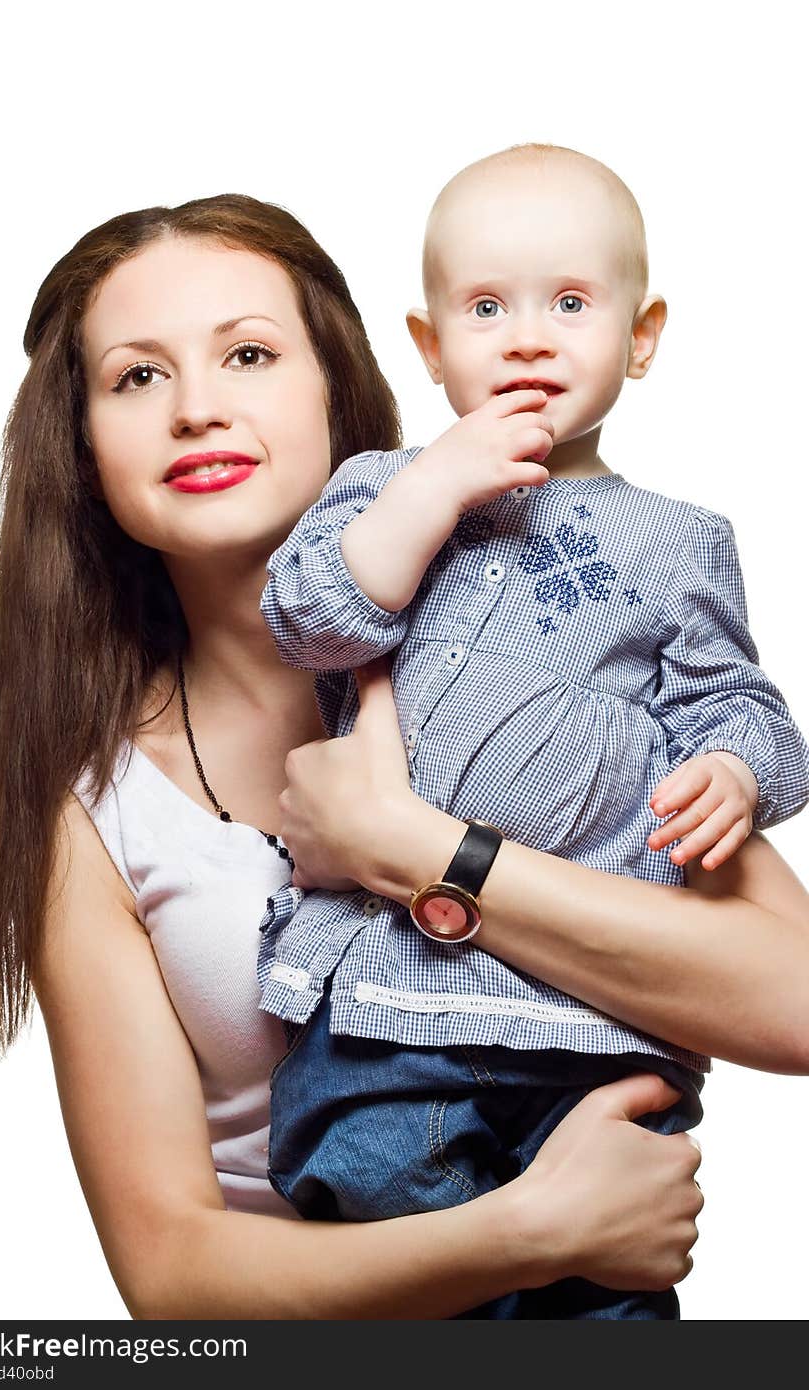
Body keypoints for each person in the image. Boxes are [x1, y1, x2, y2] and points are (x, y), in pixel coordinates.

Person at [0, 187, 807, 1320]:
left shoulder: (548, 638)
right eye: (137, 376)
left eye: (247, 354)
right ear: (85, 445)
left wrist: (421, 851)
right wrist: (525, 1233)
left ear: (339, 381)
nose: (197, 407)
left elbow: (791, 1000)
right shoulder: (89, 809)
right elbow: (171, 1279)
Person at [258, 146, 809, 1317]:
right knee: (381, 1207)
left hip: (591, 1026)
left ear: (641, 336)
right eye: (486, 307)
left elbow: (740, 703)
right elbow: (309, 618)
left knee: (597, 1291)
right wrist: (431, 486)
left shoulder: (681, 539)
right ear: (429, 347)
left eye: (570, 303)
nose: (525, 337)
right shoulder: (378, 484)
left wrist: (732, 771)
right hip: (386, 1011)